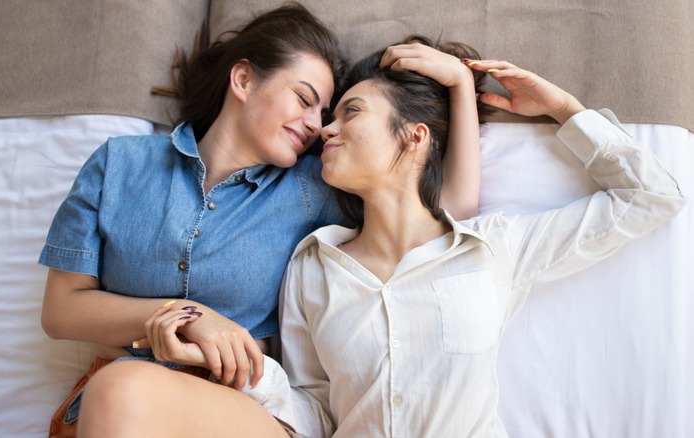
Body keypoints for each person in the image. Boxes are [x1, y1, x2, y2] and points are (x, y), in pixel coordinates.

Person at [38, 3, 484, 437]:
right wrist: (188, 317)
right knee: (120, 392)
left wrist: (461, 84)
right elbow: (61, 311)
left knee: (123, 390)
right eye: (305, 100)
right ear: (244, 78)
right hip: (117, 408)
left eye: (325, 114)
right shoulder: (119, 164)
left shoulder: (315, 188)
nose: (316, 125)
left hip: (244, 409)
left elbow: (444, 211)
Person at [275, 39, 687, 437]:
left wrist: (561, 108)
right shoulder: (312, 265)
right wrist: (250, 378)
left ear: (414, 137)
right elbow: (313, 412)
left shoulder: (493, 249)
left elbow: (652, 196)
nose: (326, 129)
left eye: (352, 112)